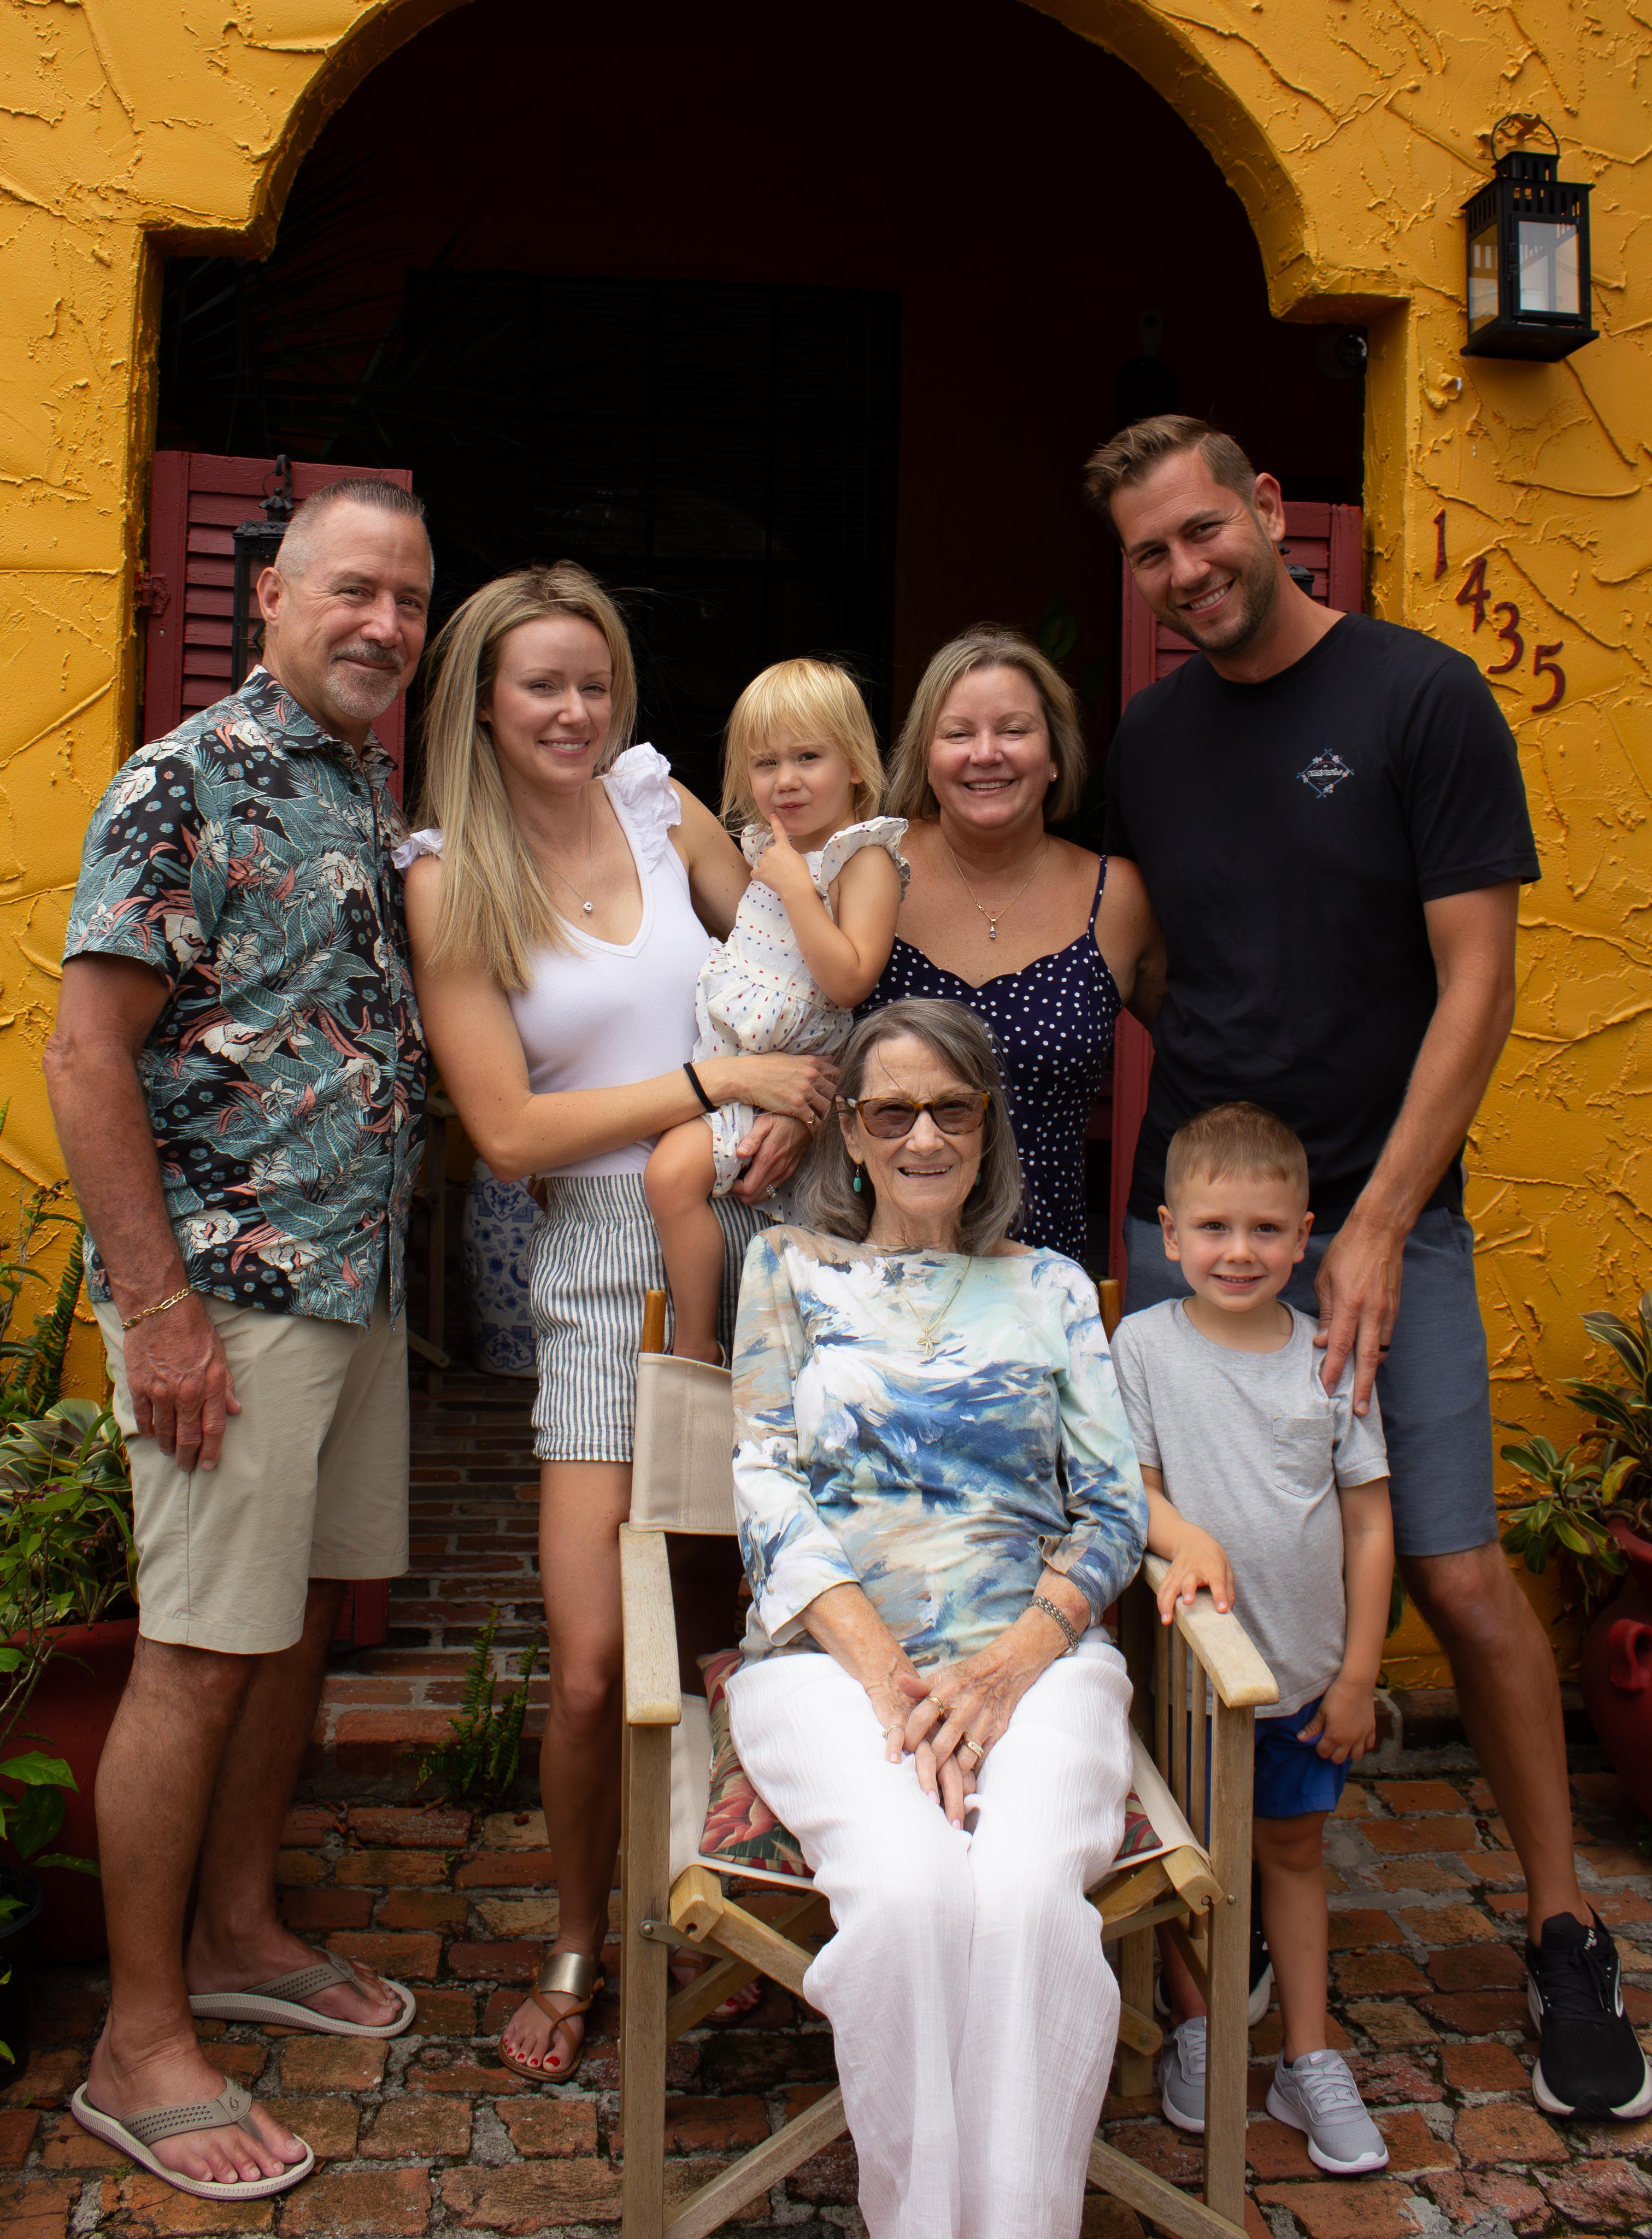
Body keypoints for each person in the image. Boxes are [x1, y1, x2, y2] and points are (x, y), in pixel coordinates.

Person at [1087, 410, 1650, 2122]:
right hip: (1191, 1223)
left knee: (1461, 1574)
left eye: (1202, 530)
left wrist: (1383, 1220)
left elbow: (1473, 980)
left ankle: (1559, 1929)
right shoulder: (1150, 737)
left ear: (1267, 511)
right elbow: (1126, 952)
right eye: (1148, 553)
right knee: (1164, 1572)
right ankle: (1210, 1930)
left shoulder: (1417, 698)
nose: (1183, 571)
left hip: (1387, 1207)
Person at [44, 478, 434, 2203]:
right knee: (194, 1647)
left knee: (285, 1637)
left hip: (353, 1286)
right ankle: (137, 2041)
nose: (385, 625)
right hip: (230, 1295)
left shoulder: (363, 781)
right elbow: (82, 1053)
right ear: (270, 589)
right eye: (354, 589)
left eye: (411, 601)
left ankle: (235, 1925)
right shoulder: (178, 779)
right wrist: (156, 1310)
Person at [398, 565, 836, 2085]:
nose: (576, 711)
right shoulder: (450, 876)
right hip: (594, 1262)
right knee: (592, 1658)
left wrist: (807, 1093)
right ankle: (577, 1934)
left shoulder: (660, 803)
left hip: (765, 1233)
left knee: (753, 1624)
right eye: (542, 685)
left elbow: (804, 948)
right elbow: (509, 1128)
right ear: (483, 701)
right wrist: (717, 1086)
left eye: (594, 681)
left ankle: (757, 1925)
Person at [725, 996, 1149, 2239]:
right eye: (890, 1109)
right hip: (824, 1660)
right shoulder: (784, 1271)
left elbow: (1114, 1505)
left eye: (949, 1107)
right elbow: (761, 1482)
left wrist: (1010, 1662)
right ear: (848, 1133)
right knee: (910, 1894)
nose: (922, 1134)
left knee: (1022, 1898)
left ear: (985, 1126)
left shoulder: (1050, 1288)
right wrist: (889, 1674)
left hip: (1037, 1655)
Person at [1111, 1103, 1393, 2174]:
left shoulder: (1324, 1355)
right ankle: (1197, 2022)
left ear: (1303, 1234)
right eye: (1214, 1227)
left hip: (1305, 1678)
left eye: (1265, 1230)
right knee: (1191, 1862)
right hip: (1187, 1685)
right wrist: (1179, 1530)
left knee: (1287, 1853)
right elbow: (1123, 1484)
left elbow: (1366, 1516)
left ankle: (1306, 2056)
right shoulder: (1141, 1345)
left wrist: (1360, 1669)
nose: (1239, 1251)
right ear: (1169, 1231)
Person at [865, 626, 1161, 1264]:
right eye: (958, 733)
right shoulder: (866, 871)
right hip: (872, 1274)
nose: (986, 752)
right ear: (924, 755)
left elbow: (1204, 1049)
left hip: (1041, 1283)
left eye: (1014, 729)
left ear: (1054, 753)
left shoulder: (1116, 898)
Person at [645, 657, 907, 1364]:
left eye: (807, 757)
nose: (784, 779)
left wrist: (796, 886)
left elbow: (850, 977)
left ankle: (696, 1342)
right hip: (732, 1066)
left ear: (854, 763)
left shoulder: (863, 859)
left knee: (672, 1178)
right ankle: (710, 1337)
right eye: (765, 763)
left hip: (787, 1077)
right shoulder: (769, 847)